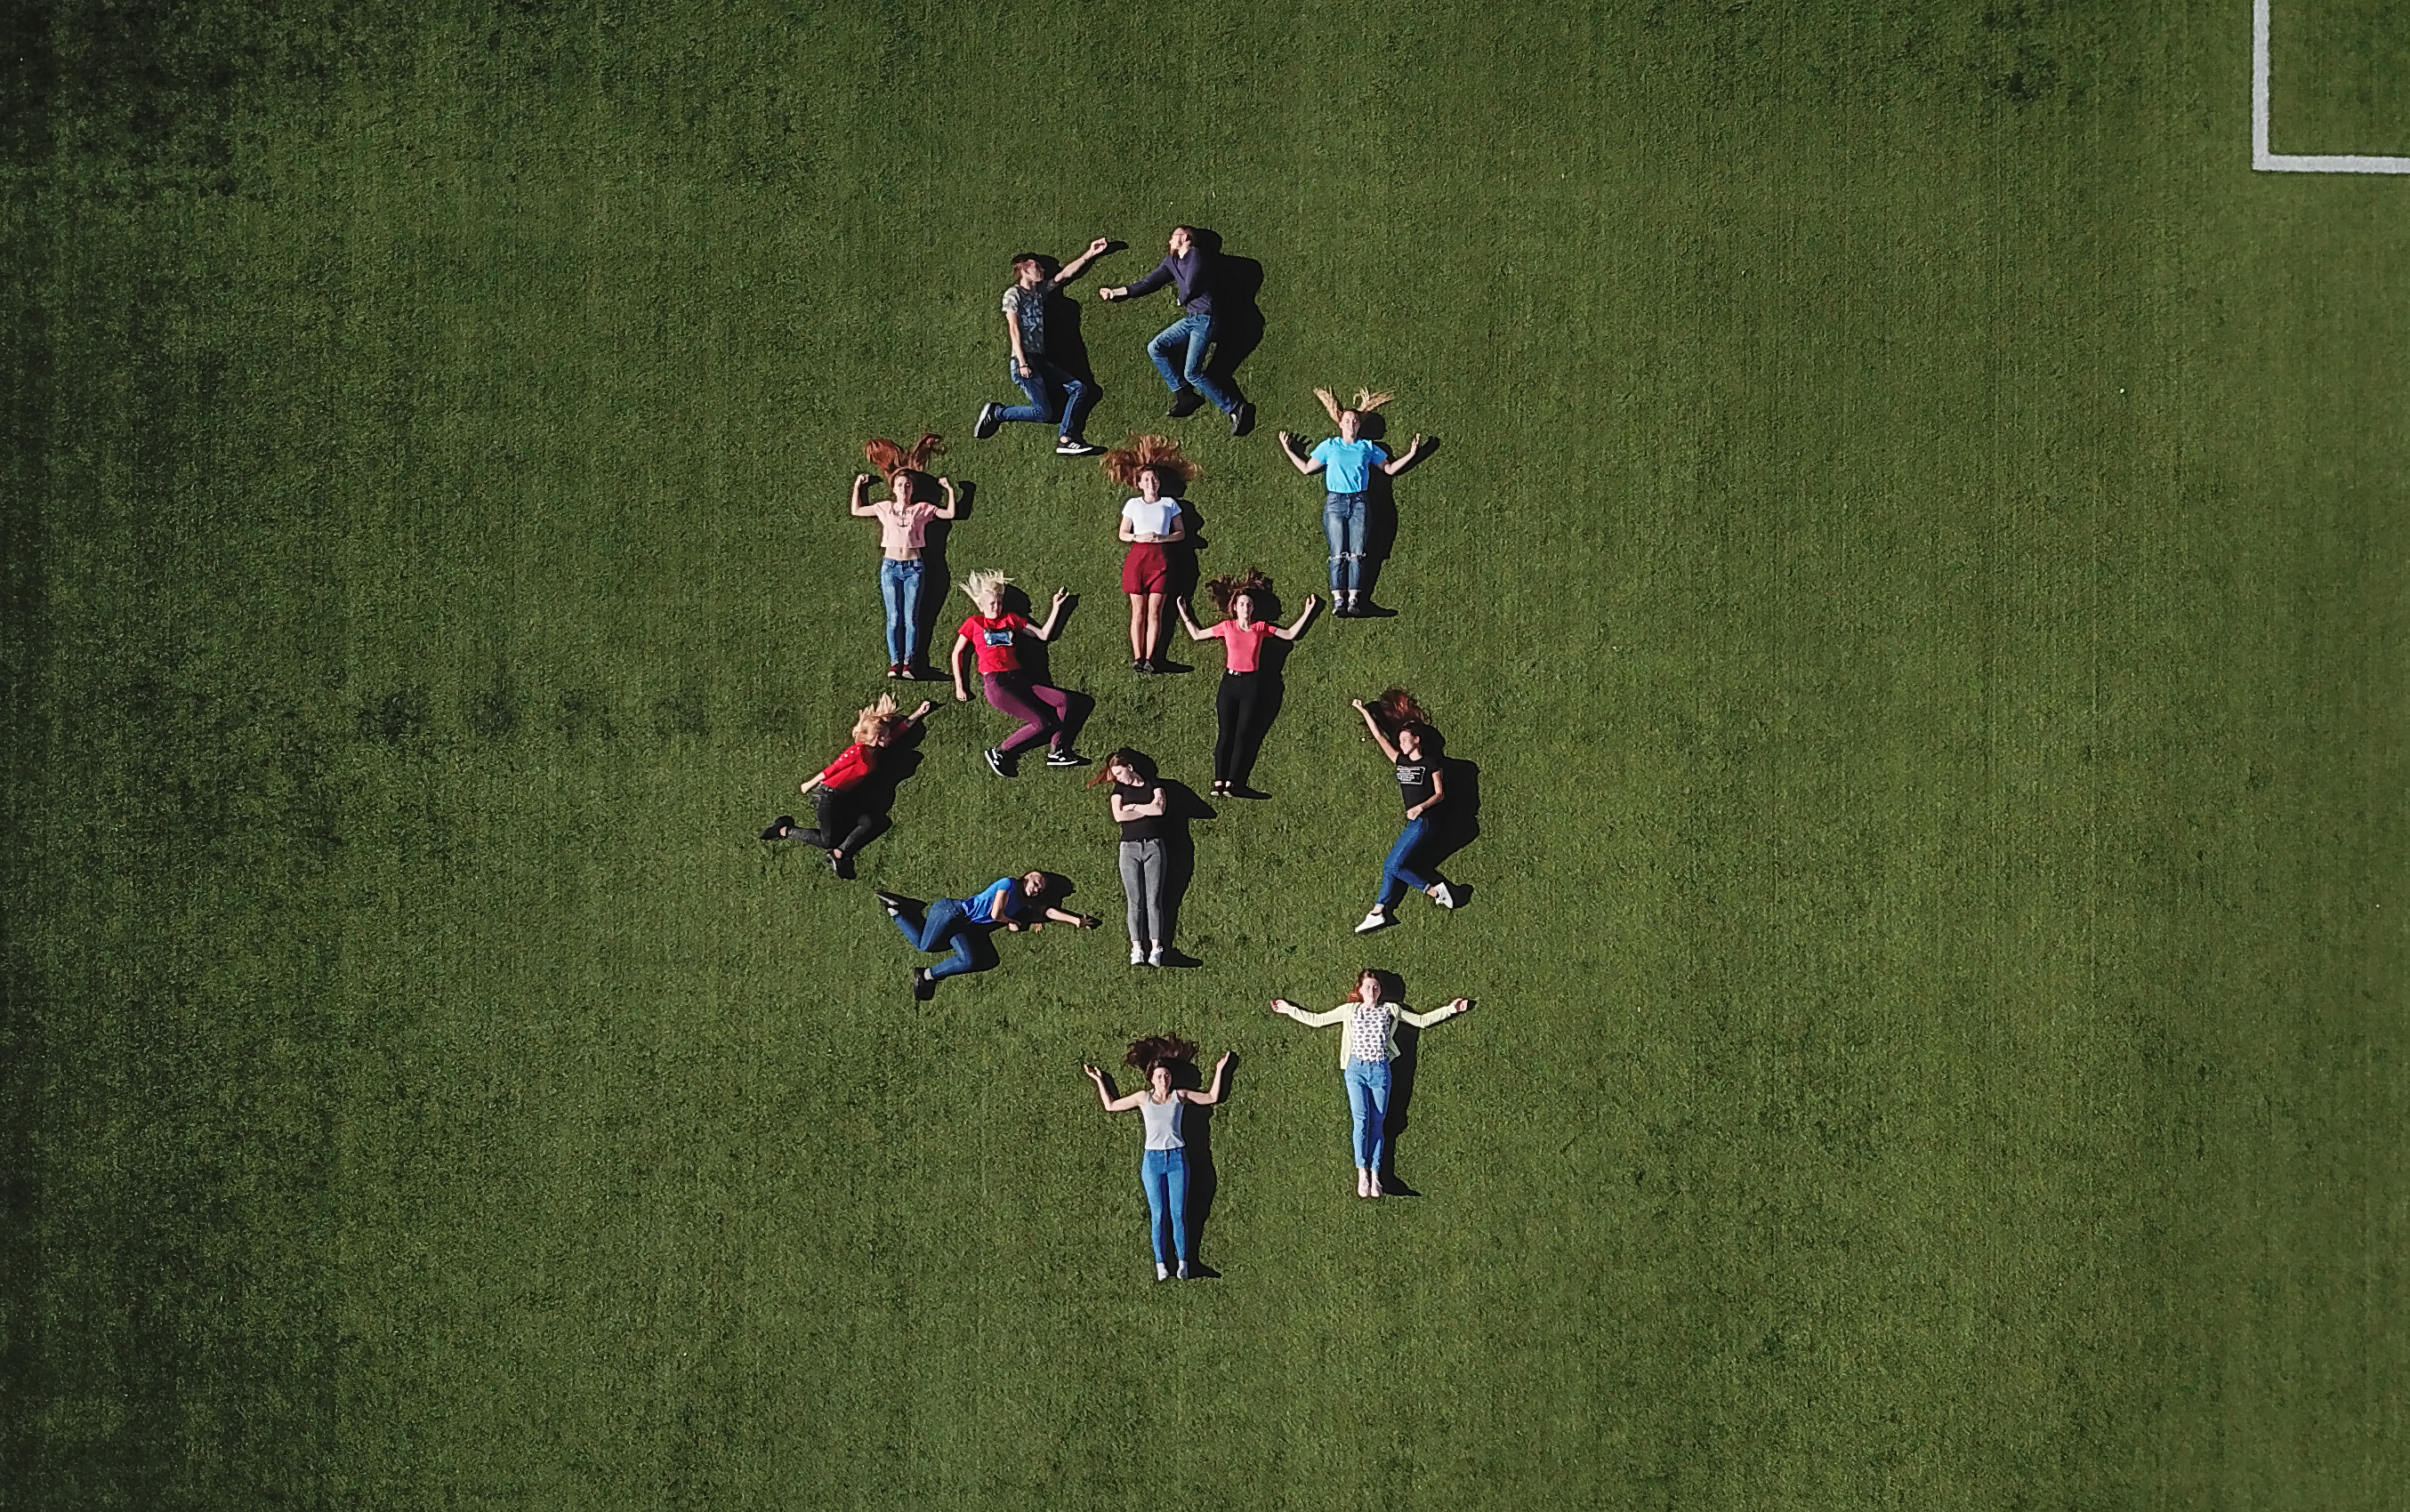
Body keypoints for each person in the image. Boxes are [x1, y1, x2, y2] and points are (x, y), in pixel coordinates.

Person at [1270, 970, 1472, 1197]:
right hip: (1356, 1070)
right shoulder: (1350, 1010)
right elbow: (1318, 1020)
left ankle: (1376, 1176)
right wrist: (1288, 1009)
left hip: (1380, 1071)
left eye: (1375, 987)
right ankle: (1362, 1173)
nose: (1372, 991)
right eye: (1367, 987)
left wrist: (1452, 1008)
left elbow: (1422, 1021)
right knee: (1361, 1120)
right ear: (1359, 990)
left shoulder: (1390, 1010)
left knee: (1378, 1123)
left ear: (1380, 991)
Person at [1083, 1034, 1232, 1280]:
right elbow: (1111, 1105)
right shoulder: (1143, 1098)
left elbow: (1211, 1098)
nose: (1164, 1079)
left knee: (1178, 1213)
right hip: (1152, 1162)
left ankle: (1184, 1262)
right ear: (1151, 1079)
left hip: (1177, 1160)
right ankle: (1161, 1264)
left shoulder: (1179, 1096)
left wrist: (1219, 1069)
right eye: (1160, 1076)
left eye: (1167, 1076)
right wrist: (1099, 1080)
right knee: (1158, 1214)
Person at [1275, 390, 1431, 616]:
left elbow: (1388, 469)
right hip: (1335, 503)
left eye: (1355, 421)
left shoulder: (1367, 447)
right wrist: (1289, 449)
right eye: (1347, 420)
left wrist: (1413, 453)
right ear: (1340, 423)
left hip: (1359, 502)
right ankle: (1339, 600)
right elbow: (1307, 468)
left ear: (1359, 426)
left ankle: (1354, 599)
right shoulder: (1329, 446)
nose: (1351, 423)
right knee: (1338, 552)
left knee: (1357, 553)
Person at [1096, 226, 1253, 438]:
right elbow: (1149, 282)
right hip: (1191, 320)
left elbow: (1193, 283)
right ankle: (1184, 394)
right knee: (1156, 347)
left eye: (1173, 237)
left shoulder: (1197, 254)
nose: (1169, 241)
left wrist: (1183, 299)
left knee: (1193, 372)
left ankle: (1236, 408)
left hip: (1205, 318)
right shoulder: (1171, 262)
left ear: (1186, 238)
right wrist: (1116, 292)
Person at [1174, 568, 1317, 796]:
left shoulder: (1259, 628)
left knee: (1243, 735)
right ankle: (1219, 780)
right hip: (1229, 684)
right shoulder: (1227, 627)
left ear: (1253, 609)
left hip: (1251, 685)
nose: (1245, 608)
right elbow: (1197, 635)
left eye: (1249, 605)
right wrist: (1184, 612)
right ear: (1234, 607)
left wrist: (1307, 611)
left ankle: (1233, 782)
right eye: (1241, 604)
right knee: (1225, 733)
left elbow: (1289, 634)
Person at [760, 695, 933, 877]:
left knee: (869, 823)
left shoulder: (876, 751)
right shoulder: (857, 750)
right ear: (877, 737)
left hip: (844, 798)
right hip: (827, 796)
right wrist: (809, 784)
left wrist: (918, 713)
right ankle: (783, 829)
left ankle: (838, 854)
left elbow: (899, 731)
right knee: (827, 840)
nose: (890, 737)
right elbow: (833, 768)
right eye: (886, 735)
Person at [974, 237, 1114, 456]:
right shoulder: (1013, 294)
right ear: (1022, 269)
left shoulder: (1039, 293)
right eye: (1036, 266)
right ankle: (998, 412)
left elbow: (1064, 275)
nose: (1041, 270)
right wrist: (1022, 362)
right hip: (1025, 361)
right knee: (1043, 413)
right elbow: (1013, 328)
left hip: (1039, 359)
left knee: (1080, 389)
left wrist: (1090, 253)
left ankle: (1065, 439)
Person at [877, 871, 1100, 1000]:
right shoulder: (1008, 883)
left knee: (970, 960)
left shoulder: (1022, 903)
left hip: (964, 927)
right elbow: (996, 912)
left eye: (1039, 889)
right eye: (1036, 882)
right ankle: (898, 912)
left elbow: (1047, 911)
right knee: (925, 947)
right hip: (950, 912)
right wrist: (1011, 921)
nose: (1036, 889)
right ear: (1026, 877)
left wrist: (1076, 920)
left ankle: (927, 975)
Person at [950, 568, 1087, 775]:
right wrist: (960, 686)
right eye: (992, 603)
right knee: (1041, 723)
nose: (997, 607)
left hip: (1020, 679)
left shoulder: (1010, 620)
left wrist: (1056, 607)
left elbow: (1042, 635)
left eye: (999, 602)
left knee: (1064, 700)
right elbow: (957, 653)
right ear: (981, 605)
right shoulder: (974, 623)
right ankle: (999, 752)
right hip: (997, 684)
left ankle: (1056, 750)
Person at [1349, 688, 1458, 932]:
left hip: (1425, 821)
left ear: (1417, 740)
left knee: (1393, 866)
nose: (1401, 742)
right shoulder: (1400, 761)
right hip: (1414, 823)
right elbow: (1379, 737)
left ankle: (1435, 890)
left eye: (1405, 739)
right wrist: (1364, 711)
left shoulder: (1430, 763)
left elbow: (1440, 794)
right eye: (1399, 740)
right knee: (1393, 865)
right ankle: (1379, 910)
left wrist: (1420, 807)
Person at [850, 436, 959, 678]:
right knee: (893, 618)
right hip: (890, 567)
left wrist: (950, 490)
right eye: (900, 485)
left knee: (911, 618)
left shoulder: (921, 509)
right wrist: (859, 486)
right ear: (893, 489)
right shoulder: (884, 508)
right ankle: (894, 663)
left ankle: (909, 663)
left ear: (912, 489)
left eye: (907, 485)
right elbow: (856, 510)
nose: (904, 488)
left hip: (914, 567)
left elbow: (950, 512)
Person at [1101, 435, 1197, 673]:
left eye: (1154, 478)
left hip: (1161, 558)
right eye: (1147, 479)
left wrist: (1162, 538)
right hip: (1138, 558)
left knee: (1155, 610)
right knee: (1138, 610)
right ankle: (1137, 656)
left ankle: (1151, 659)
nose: (1151, 482)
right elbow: (1123, 533)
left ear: (1159, 482)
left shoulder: (1170, 503)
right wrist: (1138, 537)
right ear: (1140, 484)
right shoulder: (1133, 504)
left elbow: (1181, 534)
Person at [1086, 749, 1177, 965]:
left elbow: (1159, 811)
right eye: (1114, 774)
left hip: (1154, 847)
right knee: (1134, 900)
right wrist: (1147, 808)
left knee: (1153, 900)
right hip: (1129, 849)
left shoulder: (1154, 786)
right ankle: (1136, 948)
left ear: (1130, 768)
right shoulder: (1119, 790)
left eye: (1119, 772)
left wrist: (1134, 807)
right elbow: (1119, 816)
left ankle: (1156, 948)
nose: (1117, 778)